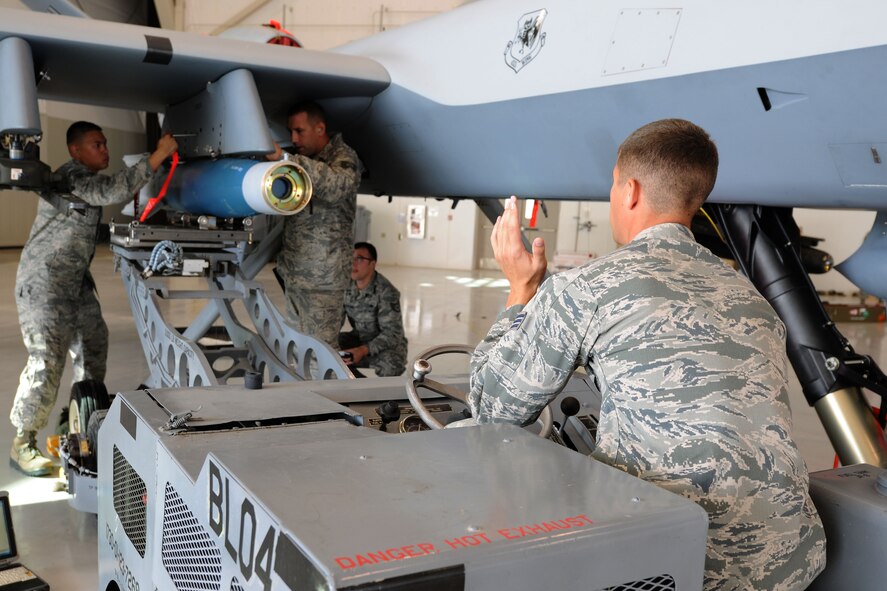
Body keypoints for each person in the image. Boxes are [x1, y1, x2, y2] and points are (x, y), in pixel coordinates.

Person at [468, 119, 826, 590]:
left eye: (612, 186)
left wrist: (520, 288)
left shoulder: (589, 287)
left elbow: (493, 408)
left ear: (630, 190)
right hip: (789, 560)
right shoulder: (752, 300)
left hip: (676, 566)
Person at [10, 121, 178, 477]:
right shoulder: (72, 177)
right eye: (97, 145)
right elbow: (112, 190)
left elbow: (90, 218)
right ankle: (23, 443)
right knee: (47, 362)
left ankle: (75, 420)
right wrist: (159, 154)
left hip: (76, 286)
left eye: (105, 144)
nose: (105, 150)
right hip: (45, 286)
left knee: (93, 347)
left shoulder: (84, 180)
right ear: (75, 151)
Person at [275, 102, 363, 348]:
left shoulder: (343, 157)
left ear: (320, 128)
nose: (293, 138)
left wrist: (286, 159)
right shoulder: (305, 160)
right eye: (290, 131)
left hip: (323, 283)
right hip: (296, 276)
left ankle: (324, 389)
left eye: (299, 131)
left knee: (320, 356)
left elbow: (336, 186)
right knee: (295, 351)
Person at [338, 242, 408, 376]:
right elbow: (336, 320)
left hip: (385, 346)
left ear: (372, 263)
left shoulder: (386, 292)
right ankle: (356, 385)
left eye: (359, 259)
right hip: (359, 338)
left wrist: (362, 351)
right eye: (350, 258)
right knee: (328, 349)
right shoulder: (346, 286)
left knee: (391, 364)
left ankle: (378, 394)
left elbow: (392, 334)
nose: (353, 264)